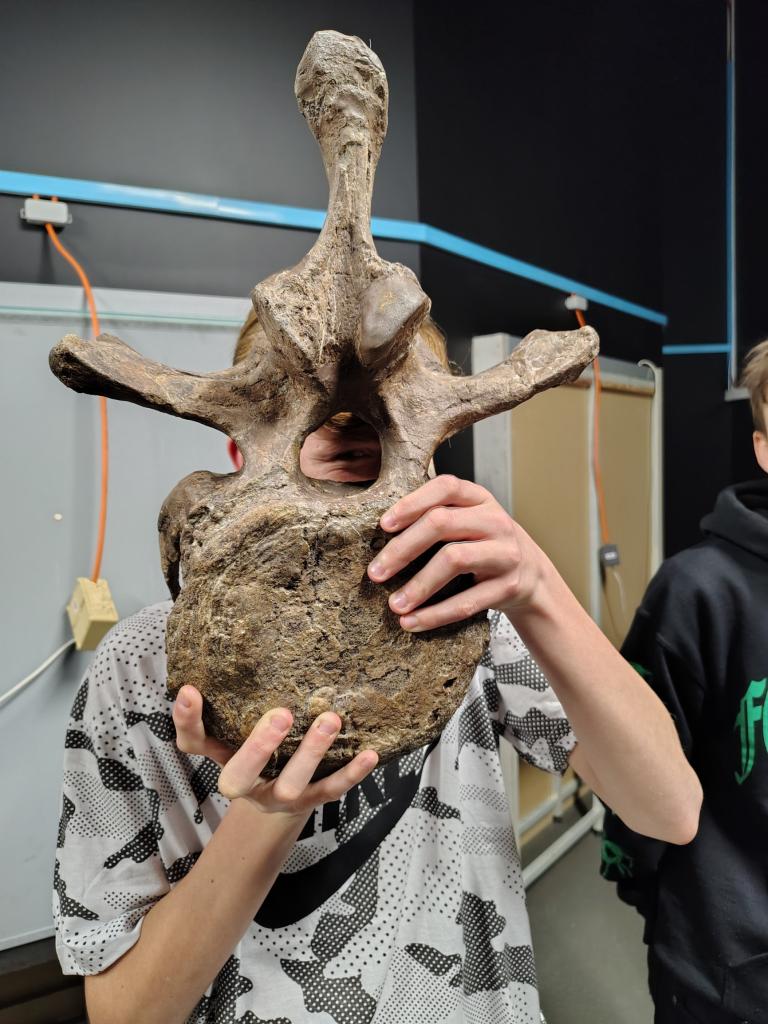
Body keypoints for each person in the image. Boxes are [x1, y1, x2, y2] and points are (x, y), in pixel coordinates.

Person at [54, 312, 701, 1024]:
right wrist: (268, 814)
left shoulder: (471, 615)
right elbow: (125, 1014)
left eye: (388, 419)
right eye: (317, 417)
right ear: (237, 449)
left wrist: (537, 589)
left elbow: (669, 810)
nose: (352, 421)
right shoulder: (142, 666)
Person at [601, 339, 768, 1023]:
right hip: (721, 971)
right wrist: (657, 898)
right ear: (763, 447)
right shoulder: (695, 592)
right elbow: (635, 776)